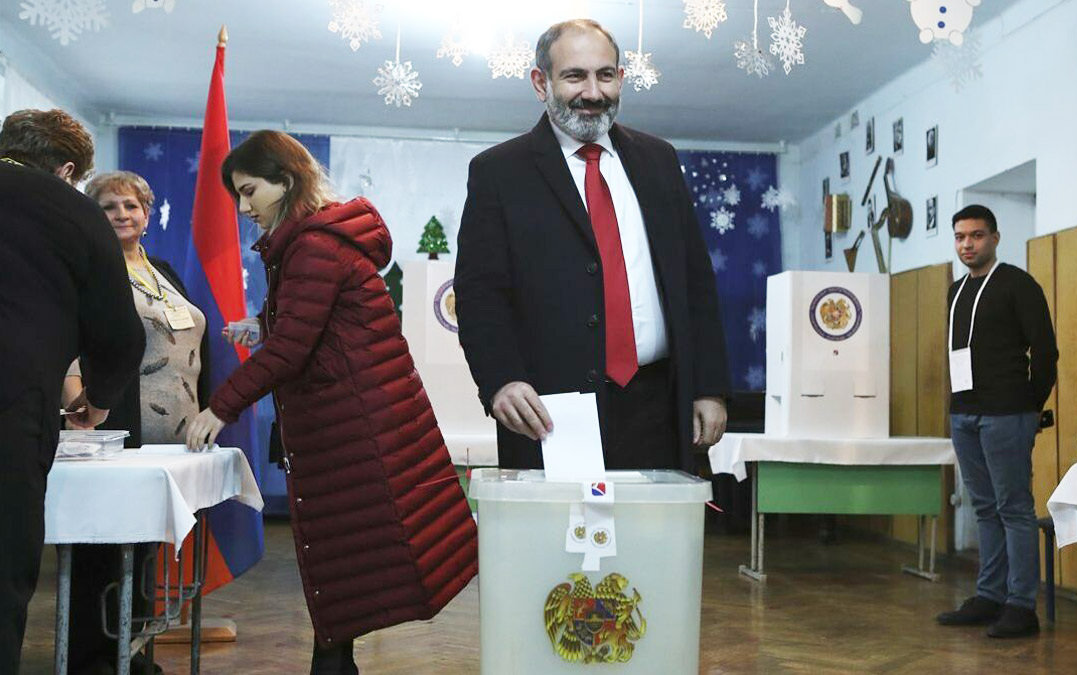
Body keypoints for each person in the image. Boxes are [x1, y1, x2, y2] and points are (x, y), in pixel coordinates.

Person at [185, 130, 477, 675]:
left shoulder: (313, 246)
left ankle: (333, 663)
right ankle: (334, 661)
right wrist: (263, 323)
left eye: (250, 192)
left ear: (286, 181)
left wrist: (219, 407)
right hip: (356, 419)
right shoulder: (317, 239)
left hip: (349, 426)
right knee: (345, 562)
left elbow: (294, 349)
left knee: (341, 558)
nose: (245, 208)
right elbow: (321, 323)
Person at [456, 19, 731, 472]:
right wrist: (501, 380)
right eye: (574, 76)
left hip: (660, 405)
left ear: (621, 78)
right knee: (559, 542)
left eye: (605, 75)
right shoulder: (498, 173)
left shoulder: (660, 161)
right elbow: (480, 295)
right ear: (540, 83)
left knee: (653, 543)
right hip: (549, 411)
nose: (593, 92)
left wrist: (708, 385)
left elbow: (695, 281)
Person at [0, 109, 144, 673]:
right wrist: (98, 399)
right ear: (65, 169)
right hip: (12, 406)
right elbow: (117, 331)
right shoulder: (74, 212)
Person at [62, 170, 208, 675]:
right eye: (109, 207)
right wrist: (77, 403)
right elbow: (70, 342)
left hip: (174, 435)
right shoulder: (88, 267)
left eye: (131, 206)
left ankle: (131, 649)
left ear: (147, 213)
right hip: (115, 425)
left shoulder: (162, 268)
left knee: (144, 551)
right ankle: (92, 659)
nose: (122, 215)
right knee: (101, 550)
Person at [935, 204, 1058, 638]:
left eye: (977, 235)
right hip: (965, 414)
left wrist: (1028, 406)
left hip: (1007, 414)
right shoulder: (956, 291)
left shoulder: (1018, 285)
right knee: (984, 507)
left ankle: (1022, 605)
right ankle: (990, 595)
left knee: (1014, 509)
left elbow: (1046, 353)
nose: (967, 244)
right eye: (960, 237)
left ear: (995, 238)